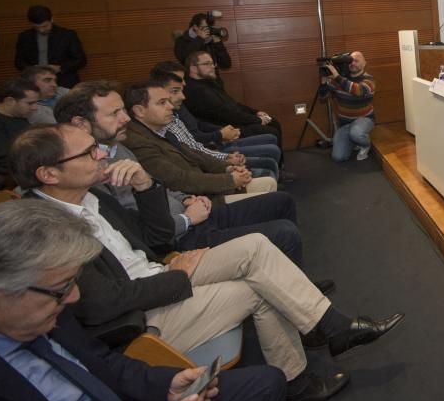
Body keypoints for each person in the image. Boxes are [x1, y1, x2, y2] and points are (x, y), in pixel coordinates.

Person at [11, 124, 404, 401]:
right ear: (48, 173)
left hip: (162, 273)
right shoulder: (46, 229)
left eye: (98, 147)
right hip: (141, 317)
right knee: (258, 283)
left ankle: (323, 339)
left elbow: (156, 240)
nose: (103, 154)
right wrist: (176, 273)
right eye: (90, 151)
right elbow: (103, 305)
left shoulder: (93, 197)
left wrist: (146, 188)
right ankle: (318, 348)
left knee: (254, 248)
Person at [0, 200, 288, 401]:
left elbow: (104, 363)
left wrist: (167, 385)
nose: (75, 297)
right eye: (61, 288)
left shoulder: (45, 313)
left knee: (267, 382)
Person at [53, 80, 312, 268]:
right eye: (115, 113)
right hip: (181, 234)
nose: (124, 118)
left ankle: (295, 286)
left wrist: (187, 198)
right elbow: (142, 226)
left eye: (123, 110)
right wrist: (188, 215)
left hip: (192, 209)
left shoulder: (117, 147)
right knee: (284, 231)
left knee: (283, 201)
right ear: (80, 124)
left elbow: (172, 176)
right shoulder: (89, 169)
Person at [123, 81, 277, 199]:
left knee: (269, 184)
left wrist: (227, 168)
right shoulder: (138, 141)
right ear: (139, 111)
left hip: (207, 187)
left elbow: (195, 154)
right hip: (201, 200)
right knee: (278, 201)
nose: (171, 106)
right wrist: (229, 180)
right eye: (162, 103)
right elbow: (179, 180)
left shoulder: (161, 130)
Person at [150, 69, 280, 181]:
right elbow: (195, 152)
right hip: (210, 153)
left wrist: (223, 133)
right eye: (176, 89)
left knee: (271, 137)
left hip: (211, 148)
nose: (184, 87)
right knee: (269, 160)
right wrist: (222, 143)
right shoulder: (168, 119)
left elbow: (198, 128)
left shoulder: (176, 113)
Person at [184, 51, 283, 148]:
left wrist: (256, 112)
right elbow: (226, 113)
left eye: (212, 63)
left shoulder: (209, 82)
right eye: (207, 64)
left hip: (232, 121)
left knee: (273, 122)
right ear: (193, 68)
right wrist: (257, 120)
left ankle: (280, 163)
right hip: (223, 128)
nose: (213, 66)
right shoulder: (196, 90)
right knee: (270, 130)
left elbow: (233, 104)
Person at [319, 52, 374, 162]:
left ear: (364, 64)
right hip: (345, 124)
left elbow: (358, 90)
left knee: (356, 132)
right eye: (350, 61)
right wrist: (324, 82)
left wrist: (337, 76)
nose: (353, 63)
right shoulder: (340, 79)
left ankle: (365, 144)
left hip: (364, 119)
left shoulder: (369, 80)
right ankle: (355, 141)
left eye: (357, 61)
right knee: (338, 157)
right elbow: (323, 96)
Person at [14, 5, 87, 88]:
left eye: (45, 26)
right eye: (37, 27)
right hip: (35, 84)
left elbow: (81, 60)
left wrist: (60, 68)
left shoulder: (67, 35)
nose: (41, 30)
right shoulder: (24, 37)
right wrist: (32, 69)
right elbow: (18, 62)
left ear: (52, 19)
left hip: (64, 81)